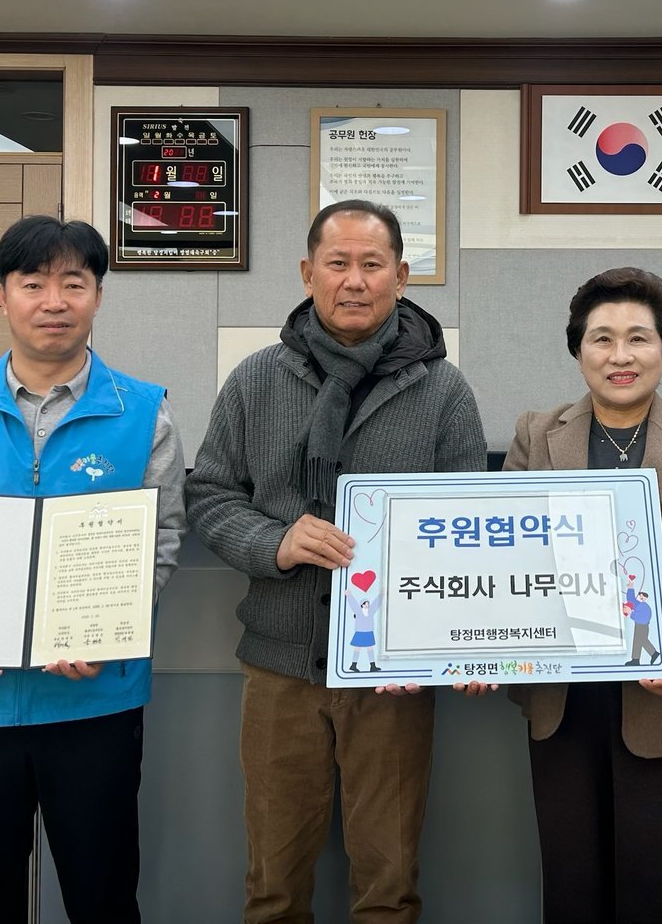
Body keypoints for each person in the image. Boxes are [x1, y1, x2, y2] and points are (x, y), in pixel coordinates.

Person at [186, 199, 486, 924]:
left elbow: (471, 525)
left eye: (372, 264)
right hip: (280, 668)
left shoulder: (443, 391)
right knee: (273, 884)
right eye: (338, 263)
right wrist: (275, 543)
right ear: (307, 272)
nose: (355, 280)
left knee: (389, 884)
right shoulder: (256, 380)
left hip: (394, 680)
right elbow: (211, 494)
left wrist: (452, 645)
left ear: (401, 277)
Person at [0, 215, 187, 924]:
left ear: (98, 296)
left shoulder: (144, 413)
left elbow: (160, 540)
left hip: (94, 699)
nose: (55, 301)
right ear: (3, 296)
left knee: (102, 895)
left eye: (73, 283)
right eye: (33, 284)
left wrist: (105, 630)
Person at [497, 267, 662, 924]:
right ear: (577, 349)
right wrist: (481, 647)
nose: (621, 355)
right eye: (602, 338)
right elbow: (505, 562)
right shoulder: (536, 435)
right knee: (573, 891)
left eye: (639, 338)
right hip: (563, 704)